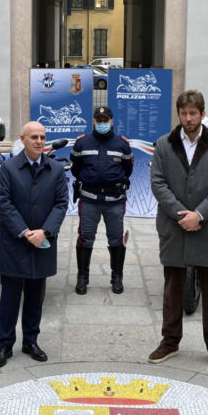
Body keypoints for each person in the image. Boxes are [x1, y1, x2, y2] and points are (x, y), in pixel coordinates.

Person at [149, 90, 208, 373]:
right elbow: (158, 184)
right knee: (172, 287)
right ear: (179, 115)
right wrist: (181, 214)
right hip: (174, 226)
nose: (188, 119)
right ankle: (170, 340)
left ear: (202, 114)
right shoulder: (163, 144)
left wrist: (199, 214)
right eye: (184, 114)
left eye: (193, 113)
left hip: (206, 226)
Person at [0, 120, 68, 368]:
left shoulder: (55, 169)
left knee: (36, 295)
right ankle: (5, 344)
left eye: (43, 138)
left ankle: (30, 341)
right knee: (10, 296)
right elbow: (3, 203)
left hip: (42, 242)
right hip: (15, 242)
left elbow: (61, 204)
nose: (39, 142)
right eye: (34, 137)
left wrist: (45, 232)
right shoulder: (9, 168)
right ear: (22, 139)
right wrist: (25, 232)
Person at [70, 105, 134, 294]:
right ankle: (83, 277)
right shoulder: (82, 143)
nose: (102, 124)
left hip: (114, 201)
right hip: (89, 200)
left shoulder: (122, 144)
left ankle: (117, 277)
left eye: (105, 121)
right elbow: (76, 169)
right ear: (94, 122)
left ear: (112, 122)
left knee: (116, 239)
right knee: (85, 239)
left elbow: (128, 170)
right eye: (99, 121)